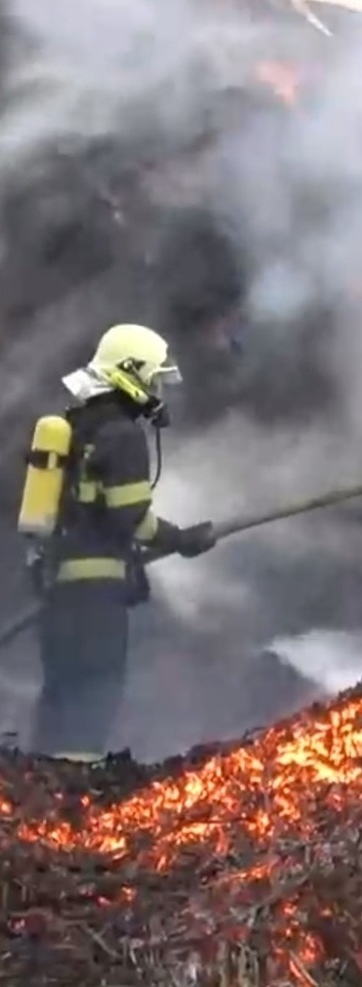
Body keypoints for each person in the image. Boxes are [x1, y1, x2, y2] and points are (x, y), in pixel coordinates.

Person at [23, 324, 216, 762]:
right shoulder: (122, 434)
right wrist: (183, 539)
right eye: (154, 380)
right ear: (132, 374)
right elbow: (131, 519)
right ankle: (73, 789)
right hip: (96, 600)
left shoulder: (78, 426)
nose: (157, 393)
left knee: (60, 695)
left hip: (60, 593)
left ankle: (35, 785)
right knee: (94, 695)